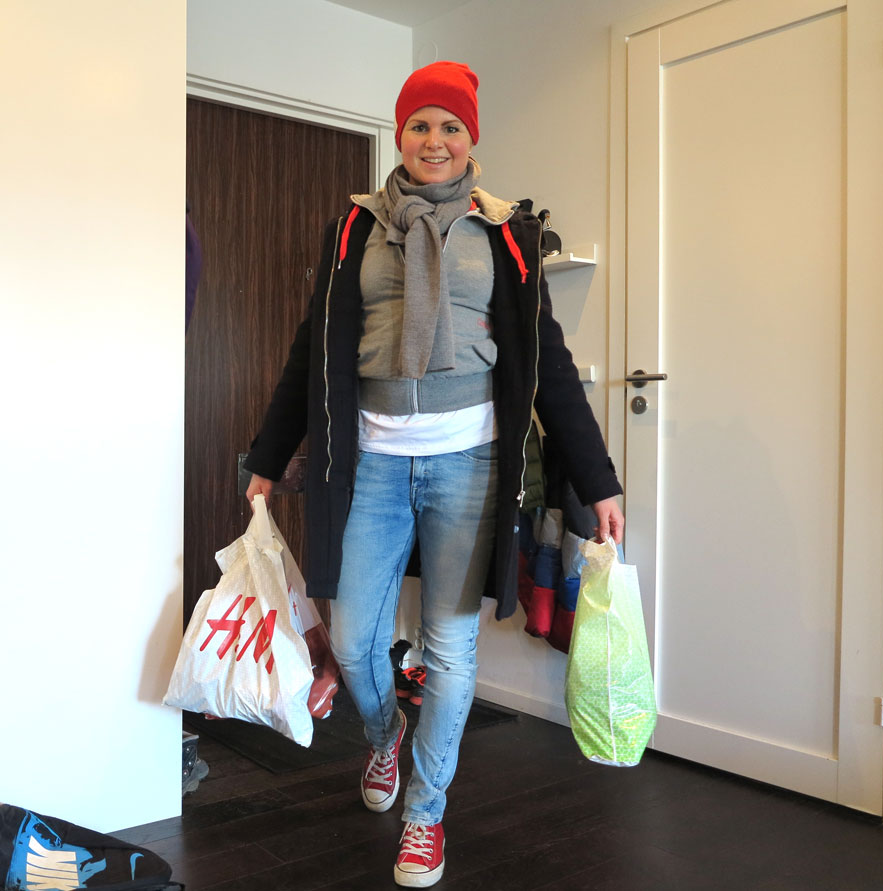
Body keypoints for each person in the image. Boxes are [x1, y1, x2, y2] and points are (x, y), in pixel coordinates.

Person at [243, 60, 624, 888]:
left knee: (451, 647)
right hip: (372, 462)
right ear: (400, 134)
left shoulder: (507, 233)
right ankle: (385, 736)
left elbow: (548, 363)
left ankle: (425, 811)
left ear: (470, 137)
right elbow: (311, 348)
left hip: (469, 464)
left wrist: (599, 480)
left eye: (451, 126)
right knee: (352, 639)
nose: (435, 140)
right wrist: (267, 459)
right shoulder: (354, 229)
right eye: (420, 124)